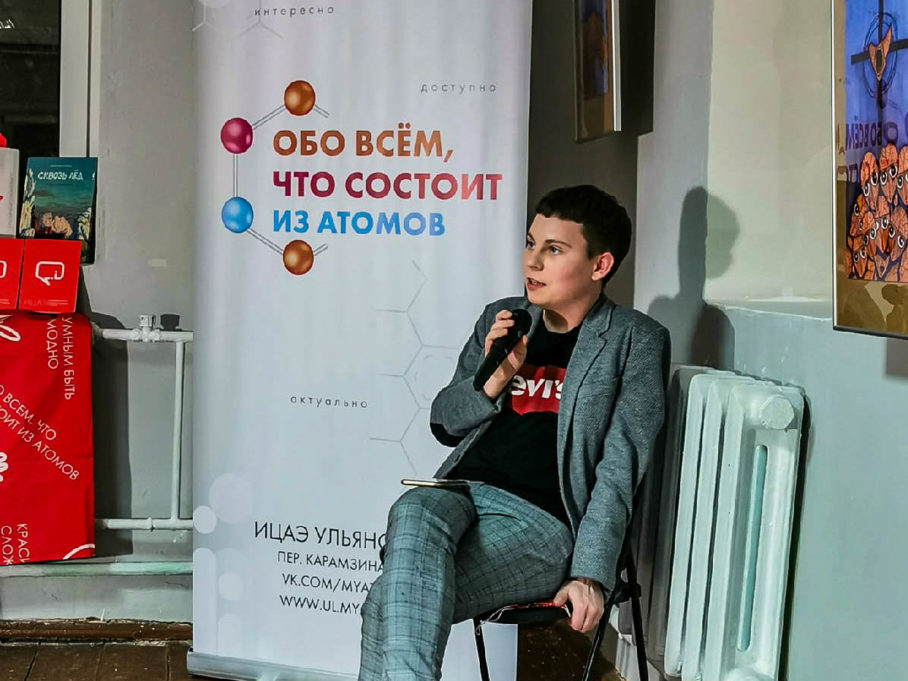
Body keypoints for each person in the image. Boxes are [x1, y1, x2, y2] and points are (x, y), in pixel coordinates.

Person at [358, 185, 670, 681]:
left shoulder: (634, 340)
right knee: (414, 506)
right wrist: (492, 379)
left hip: (541, 521)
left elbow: (619, 468)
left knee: (388, 602)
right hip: (460, 492)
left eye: (554, 249)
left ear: (600, 265)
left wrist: (589, 573)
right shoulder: (504, 318)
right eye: (530, 243)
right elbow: (444, 423)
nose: (532, 261)